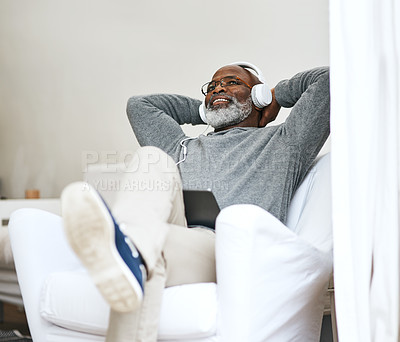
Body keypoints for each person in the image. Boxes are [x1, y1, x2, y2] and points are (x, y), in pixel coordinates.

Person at [61, 62, 330, 342]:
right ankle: (131, 248)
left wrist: (276, 94)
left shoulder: (283, 143)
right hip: (178, 237)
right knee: (152, 159)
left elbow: (328, 82)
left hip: (228, 250)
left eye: (231, 82)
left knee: (149, 255)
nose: (218, 88)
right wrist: (202, 111)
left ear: (258, 96)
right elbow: (139, 106)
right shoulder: (183, 147)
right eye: (211, 87)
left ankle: (125, 247)